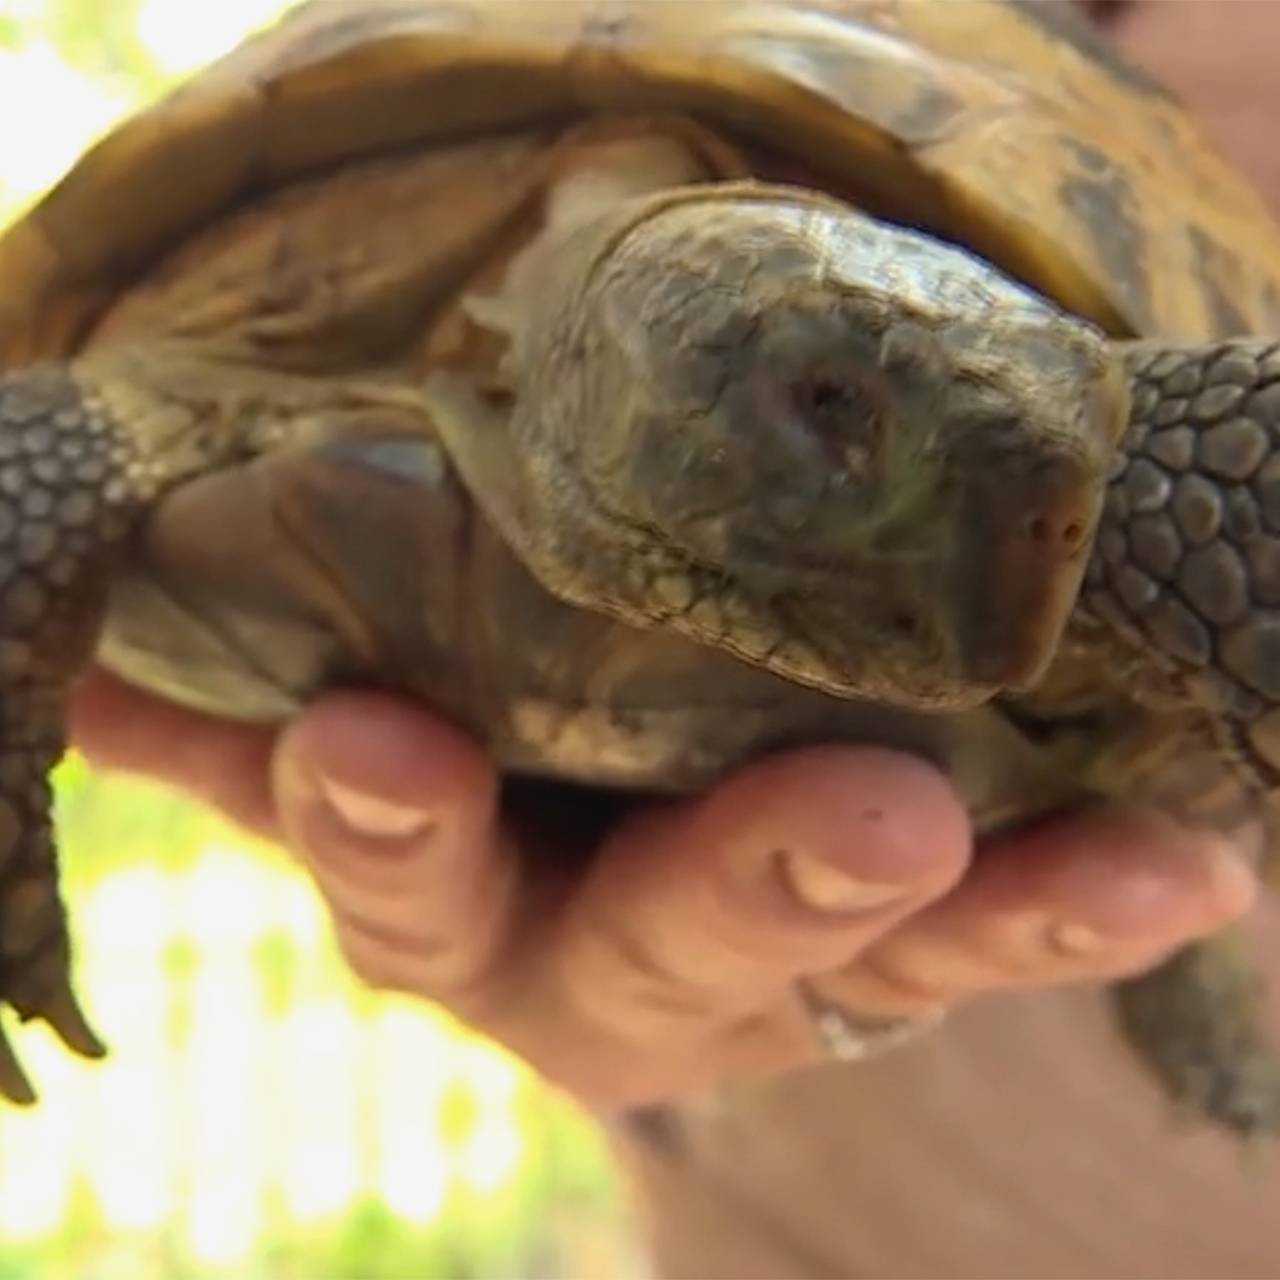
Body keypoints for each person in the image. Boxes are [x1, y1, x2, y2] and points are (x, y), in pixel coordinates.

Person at [68, 3, 1280, 1275]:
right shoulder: (254, 295)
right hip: (809, 1178)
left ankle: (1174, 952)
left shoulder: (1030, 446)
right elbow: (42, 441)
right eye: (823, 408)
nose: (1027, 490)